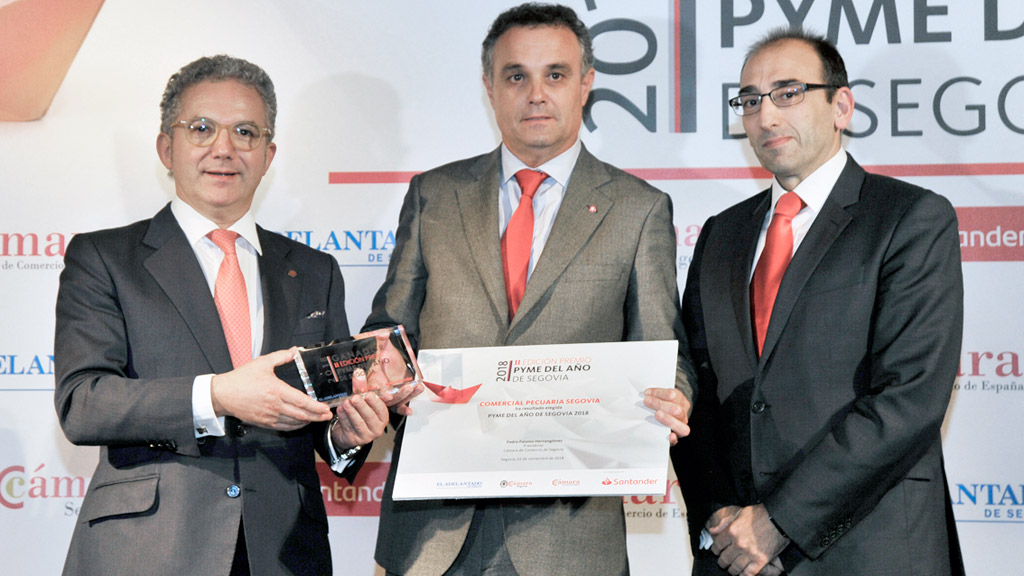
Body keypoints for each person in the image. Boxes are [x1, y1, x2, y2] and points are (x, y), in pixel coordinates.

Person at [361, 3, 695, 575]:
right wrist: (383, 368)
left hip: (570, 536)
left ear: (586, 84)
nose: (536, 94)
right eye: (516, 76)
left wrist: (674, 395)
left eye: (555, 75)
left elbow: (662, 350)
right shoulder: (433, 196)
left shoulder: (639, 210)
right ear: (490, 87)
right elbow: (389, 331)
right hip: (435, 533)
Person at [54, 55, 413, 576]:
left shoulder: (314, 270)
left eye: (245, 132)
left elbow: (328, 418)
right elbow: (83, 403)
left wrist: (347, 435)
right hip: (149, 549)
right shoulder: (104, 258)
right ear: (165, 148)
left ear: (267, 155)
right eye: (201, 128)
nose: (223, 148)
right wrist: (218, 394)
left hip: (284, 550)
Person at [676, 27, 965, 576]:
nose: (766, 116)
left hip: (868, 548)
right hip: (737, 557)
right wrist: (722, 517)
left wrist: (779, 521)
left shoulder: (909, 218)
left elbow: (909, 397)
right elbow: (696, 389)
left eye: (789, 93)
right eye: (751, 100)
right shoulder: (721, 234)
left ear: (841, 106)